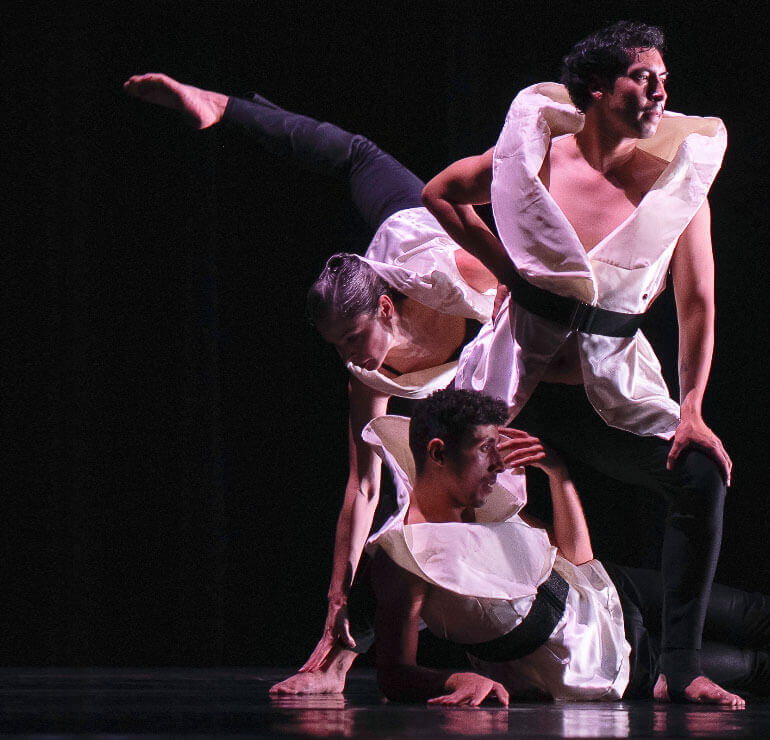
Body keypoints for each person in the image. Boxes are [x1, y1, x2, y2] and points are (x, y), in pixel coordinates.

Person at [123, 74, 499, 694]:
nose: (348, 358)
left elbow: (526, 271)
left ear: (383, 309)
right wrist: (335, 605)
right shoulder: (365, 373)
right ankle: (344, 658)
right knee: (407, 518)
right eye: (336, 349)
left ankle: (224, 105)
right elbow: (363, 486)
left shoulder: (458, 269)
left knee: (356, 152)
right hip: (391, 259)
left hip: (427, 242)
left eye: (352, 340)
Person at [421, 21, 735, 703]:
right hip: (518, 387)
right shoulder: (534, 159)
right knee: (438, 483)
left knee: (701, 475)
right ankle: (430, 663)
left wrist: (692, 408)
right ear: (597, 88)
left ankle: (681, 669)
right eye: (643, 78)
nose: (659, 93)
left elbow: (698, 305)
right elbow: (439, 193)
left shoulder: (673, 189)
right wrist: (507, 269)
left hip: (606, 393)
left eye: (664, 82)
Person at [364, 388, 770, 705]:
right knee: (759, 669)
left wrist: (561, 475)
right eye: (485, 456)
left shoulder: (487, 506)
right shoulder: (403, 554)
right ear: (437, 454)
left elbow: (573, 563)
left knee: (766, 614)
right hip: (597, 666)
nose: (497, 471)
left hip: (609, 590)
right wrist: (449, 682)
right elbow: (394, 671)